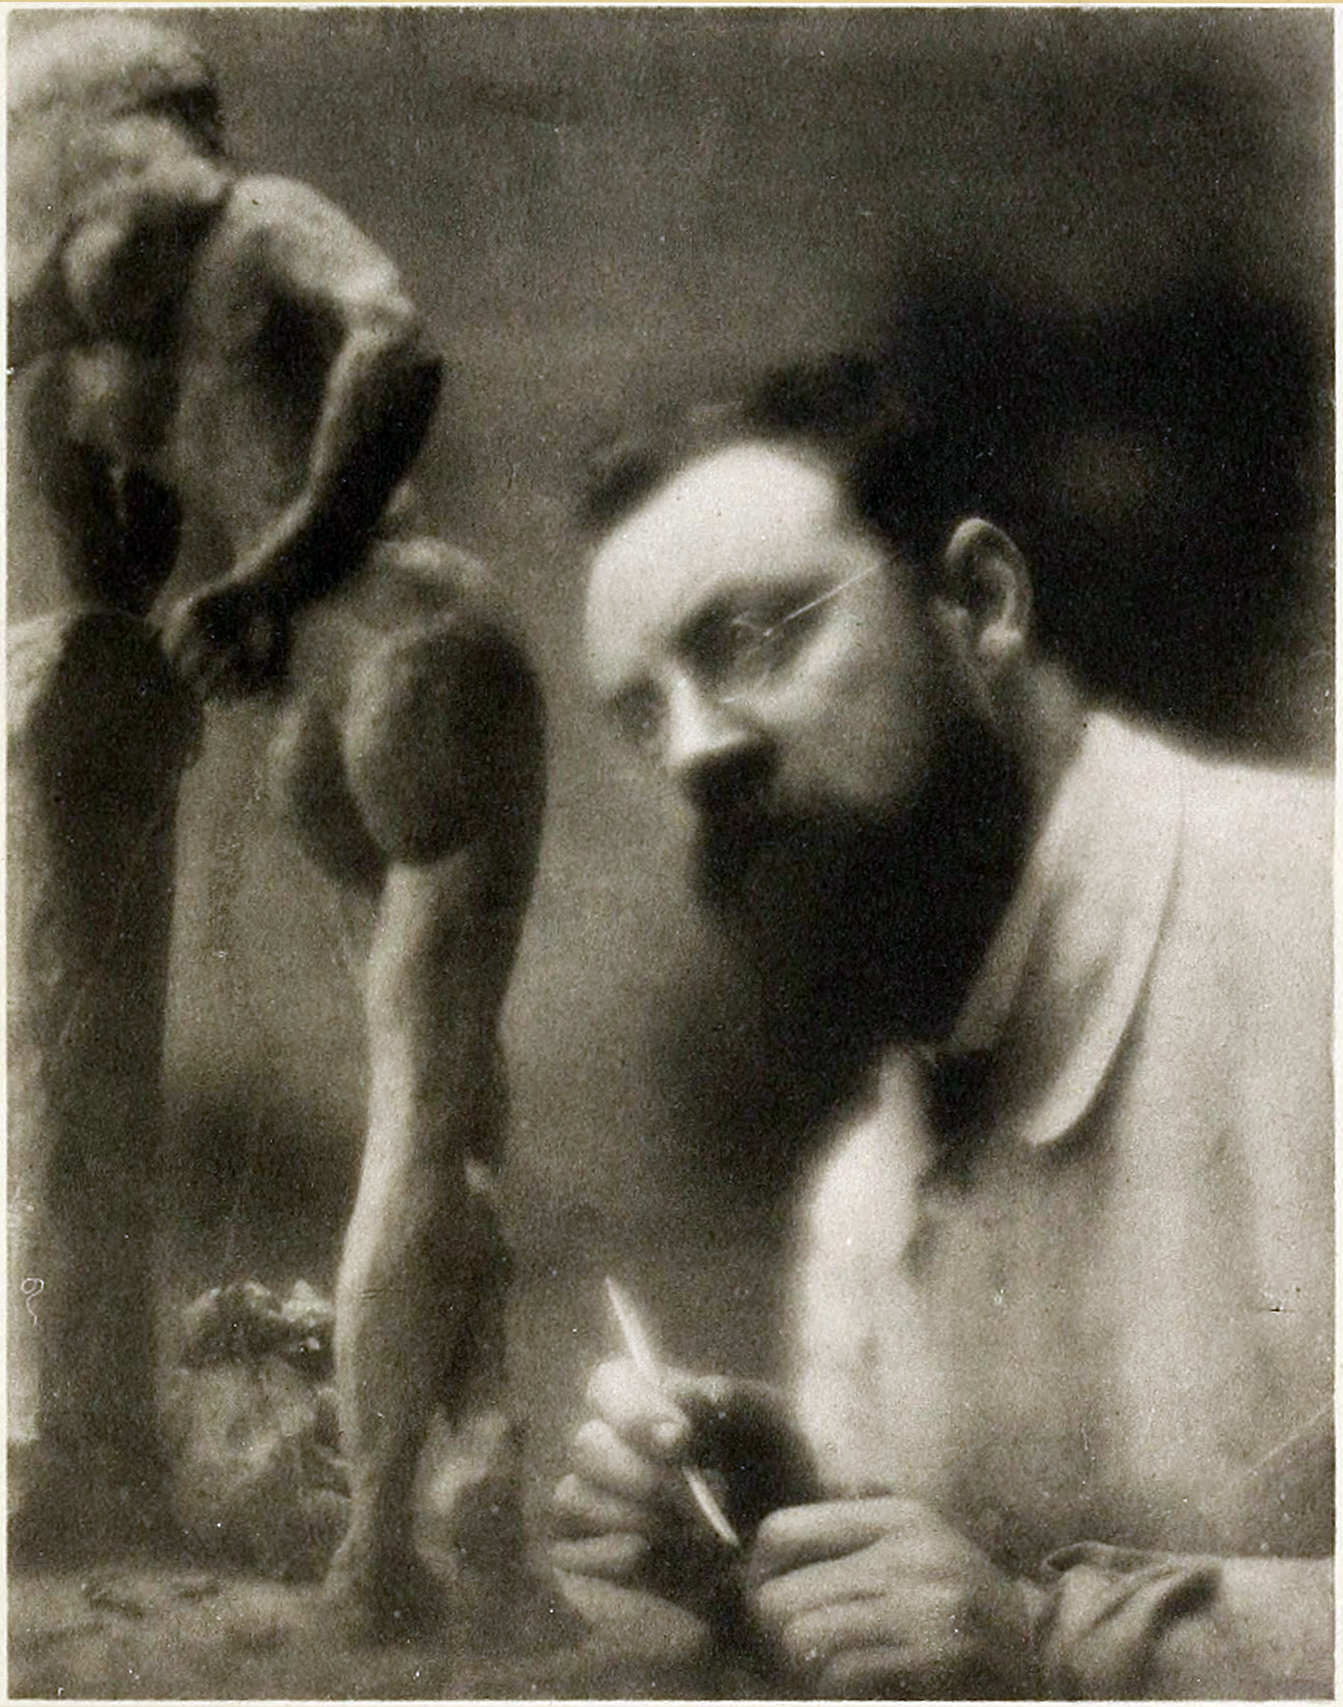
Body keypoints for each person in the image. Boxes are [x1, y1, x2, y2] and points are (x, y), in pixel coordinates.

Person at [549, 353, 1332, 1697]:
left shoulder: (1316, 920)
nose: (694, 753)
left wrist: (1064, 1645)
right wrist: (778, 1530)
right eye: (643, 714)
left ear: (980, 601)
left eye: (753, 640)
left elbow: (1020, 1639)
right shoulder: (870, 1185)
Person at [9, 17, 546, 1640]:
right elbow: (397, 349)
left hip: (304, 722)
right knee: (433, 1115)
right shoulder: (257, 223)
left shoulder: (60, 376)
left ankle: (482, 1474)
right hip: (405, 638)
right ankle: (383, 1546)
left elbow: (116, 599)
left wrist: (233, 593)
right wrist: (290, 566)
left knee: (450, 1097)